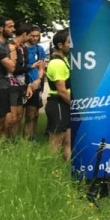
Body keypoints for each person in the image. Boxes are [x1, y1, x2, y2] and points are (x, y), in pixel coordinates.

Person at [44, 29, 72, 162]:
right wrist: (76, 106)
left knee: (68, 140)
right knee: (56, 142)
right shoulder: (56, 63)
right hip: (58, 103)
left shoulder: (64, 59)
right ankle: (50, 168)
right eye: (69, 42)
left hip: (65, 104)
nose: (71, 45)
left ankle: (68, 168)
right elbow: (61, 91)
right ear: (60, 45)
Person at [6, 23, 33, 138]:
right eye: (30, 35)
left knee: (19, 116)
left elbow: (24, 67)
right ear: (24, 34)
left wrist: (28, 84)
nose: (31, 38)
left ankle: (14, 140)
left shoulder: (23, 47)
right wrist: (32, 67)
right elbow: (14, 69)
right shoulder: (11, 46)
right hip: (11, 84)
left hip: (22, 85)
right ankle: (5, 140)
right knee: (12, 117)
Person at [23, 26, 47, 140]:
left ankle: (32, 137)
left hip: (36, 85)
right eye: (32, 35)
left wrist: (38, 80)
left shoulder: (39, 49)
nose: (35, 38)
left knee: (34, 113)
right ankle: (24, 138)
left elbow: (42, 68)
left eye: (37, 36)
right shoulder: (22, 48)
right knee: (24, 114)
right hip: (23, 84)